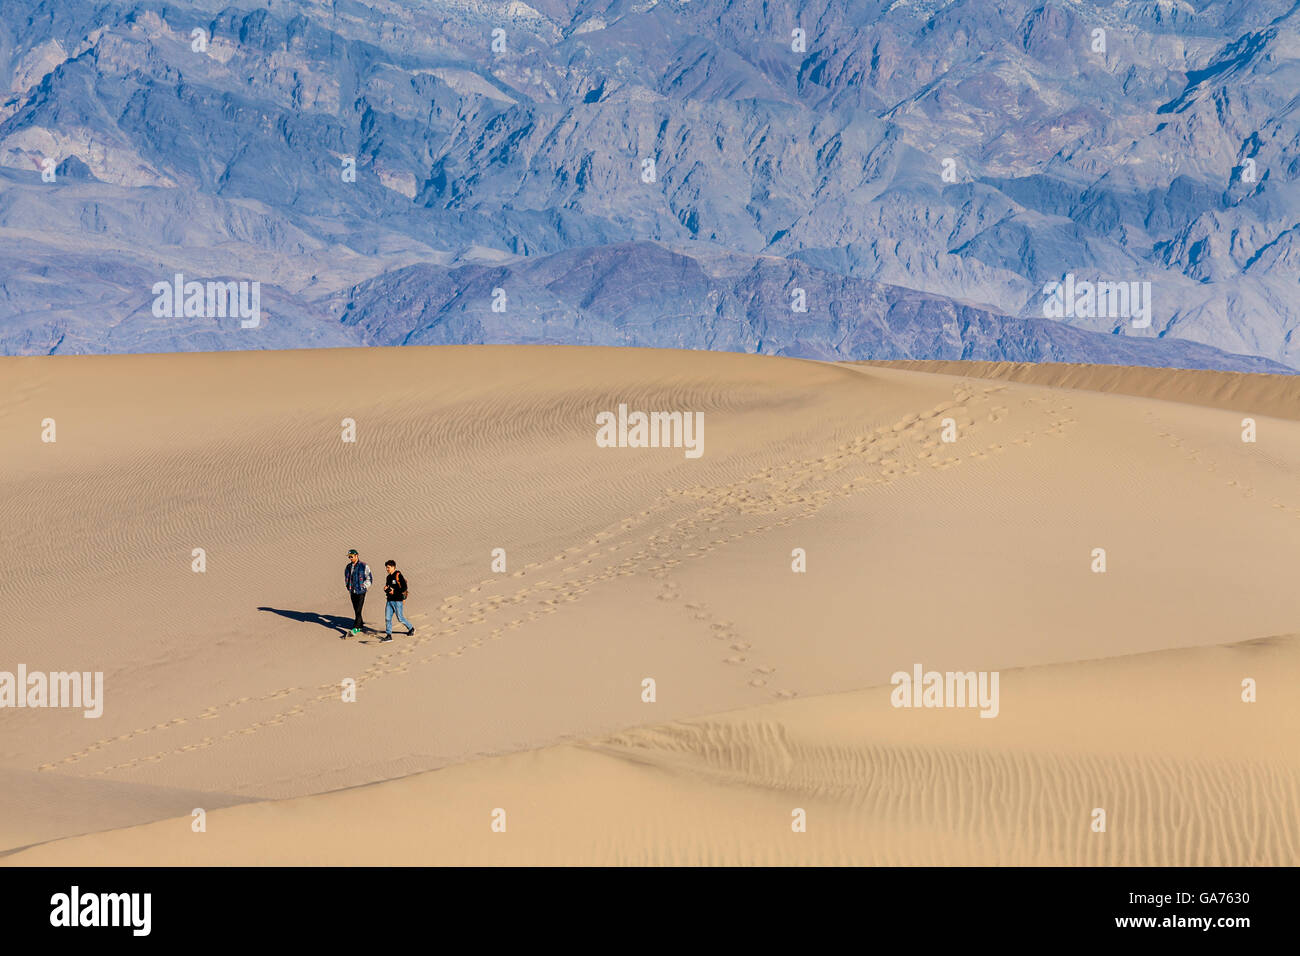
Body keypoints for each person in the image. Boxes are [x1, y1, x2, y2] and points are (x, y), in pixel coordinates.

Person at [382, 560, 414, 642]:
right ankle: (389, 635)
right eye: (386, 567)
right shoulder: (388, 577)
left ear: (393, 567)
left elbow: (404, 588)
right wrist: (386, 589)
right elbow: (388, 588)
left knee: (400, 618)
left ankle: (411, 628)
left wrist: (394, 591)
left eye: (388, 567)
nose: (387, 569)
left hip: (397, 601)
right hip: (389, 600)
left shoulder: (398, 575)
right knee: (387, 618)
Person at [343, 549, 372, 637]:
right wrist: (348, 586)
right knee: (356, 609)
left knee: (358, 610)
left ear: (357, 556)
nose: (350, 558)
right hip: (352, 591)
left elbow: (369, 578)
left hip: (361, 592)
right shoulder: (348, 567)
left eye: (351, 556)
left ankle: (356, 628)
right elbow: (346, 577)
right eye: (349, 557)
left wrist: (364, 586)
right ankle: (361, 623)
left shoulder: (364, 566)